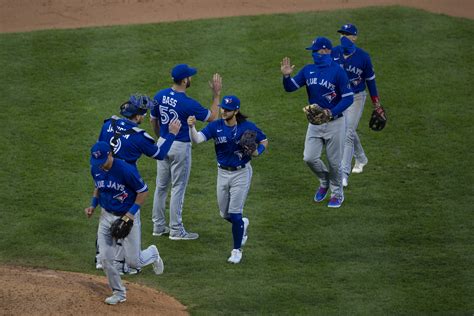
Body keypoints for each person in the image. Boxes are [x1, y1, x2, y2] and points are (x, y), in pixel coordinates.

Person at [94, 95, 181, 273]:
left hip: (107, 175)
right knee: (120, 218)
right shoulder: (139, 136)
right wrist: (172, 134)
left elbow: (100, 148)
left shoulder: (108, 124)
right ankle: (115, 260)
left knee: (110, 214)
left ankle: (115, 260)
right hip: (127, 181)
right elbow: (159, 153)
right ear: (139, 116)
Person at [187, 95, 268, 263]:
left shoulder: (247, 127)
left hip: (241, 173)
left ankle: (236, 250)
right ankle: (242, 225)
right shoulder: (215, 126)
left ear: (236, 111)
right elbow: (197, 139)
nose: (224, 111)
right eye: (223, 108)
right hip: (222, 173)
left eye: (228, 109)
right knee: (224, 214)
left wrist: (257, 152)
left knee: (235, 213)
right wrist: (192, 127)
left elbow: (264, 140)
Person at [85, 141, 164, 305]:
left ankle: (153, 253)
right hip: (106, 216)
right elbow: (98, 187)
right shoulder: (96, 168)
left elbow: (143, 192)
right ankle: (119, 292)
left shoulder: (126, 170)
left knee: (134, 262)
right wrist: (93, 205)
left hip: (127, 216)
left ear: (110, 154)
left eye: (102, 162)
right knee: (105, 258)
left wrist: (129, 215)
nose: (99, 166)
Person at [150, 64, 222, 240]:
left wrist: (161, 137)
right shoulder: (188, 104)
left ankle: (158, 227)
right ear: (184, 80)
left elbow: (153, 120)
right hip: (180, 146)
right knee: (178, 188)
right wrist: (216, 94)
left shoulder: (159, 95)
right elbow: (213, 116)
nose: (191, 79)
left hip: (162, 144)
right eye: (189, 77)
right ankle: (176, 230)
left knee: (160, 187)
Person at [280, 37, 354, 208]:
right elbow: (290, 87)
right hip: (315, 123)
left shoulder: (338, 72)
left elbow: (348, 99)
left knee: (334, 163)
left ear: (326, 51)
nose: (313, 54)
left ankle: (337, 194)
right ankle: (324, 181)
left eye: (316, 51)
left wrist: (331, 112)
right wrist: (286, 76)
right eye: (313, 52)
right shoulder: (308, 70)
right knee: (309, 158)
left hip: (335, 123)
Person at [331, 23, 382, 186]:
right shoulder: (334, 52)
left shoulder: (363, 57)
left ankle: (343, 173)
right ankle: (361, 158)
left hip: (356, 98)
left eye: (347, 34)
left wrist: (377, 104)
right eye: (341, 34)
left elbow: (371, 82)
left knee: (347, 132)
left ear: (354, 37)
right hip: (338, 97)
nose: (343, 37)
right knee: (347, 128)